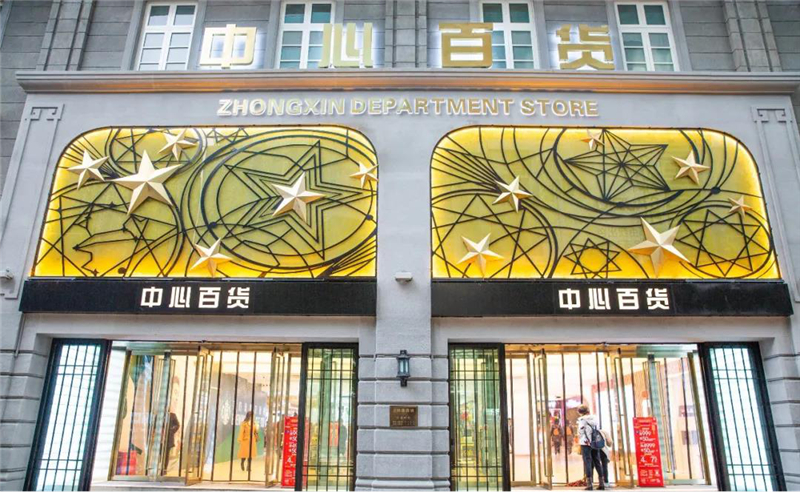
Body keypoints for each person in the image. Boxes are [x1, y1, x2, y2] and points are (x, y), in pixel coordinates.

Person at [577, 405, 605, 490]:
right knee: (597, 461)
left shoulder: (582, 420)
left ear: (580, 412)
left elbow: (581, 432)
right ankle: (601, 483)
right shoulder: (594, 418)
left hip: (585, 443)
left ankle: (589, 484)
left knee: (587, 462)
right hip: (595, 442)